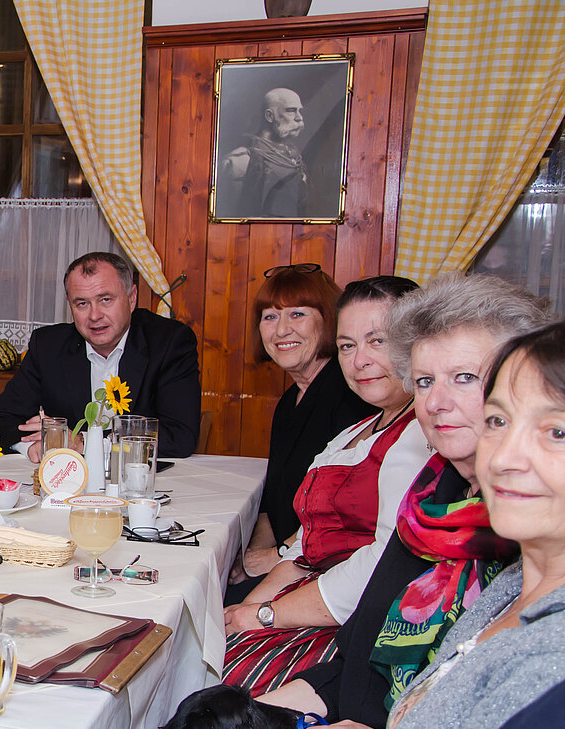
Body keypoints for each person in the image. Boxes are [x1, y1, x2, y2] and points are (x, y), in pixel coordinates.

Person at [255, 273, 555, 727]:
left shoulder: (517, 532)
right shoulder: (432, 500)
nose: (435, 403)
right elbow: (361, 658)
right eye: (425, 381)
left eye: (465, 378)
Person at [223, 276, 430, 693]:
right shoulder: (358, 431)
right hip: (312, 592)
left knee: (222, 686)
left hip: (362, 619)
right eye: (348, 346)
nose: (359, 361)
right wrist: (248, 607)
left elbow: (384, 563)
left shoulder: (420, 435)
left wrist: (265, 615)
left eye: (378, 341)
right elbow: (305, 545)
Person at [384, 321, 565, 728]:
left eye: (557, 432)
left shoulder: (554, 668)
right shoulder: (515, 583)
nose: (502, 459)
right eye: (498, 421)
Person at [229, 264, 374, 598]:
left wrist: (273, 557)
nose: (282, 330)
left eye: (297, 314)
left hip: (327, 572)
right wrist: (255, 557)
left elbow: (342, 514)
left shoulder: (350, 397)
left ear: (328, 321)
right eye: (270, 316)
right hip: (289, 559)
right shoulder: (289, 401)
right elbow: (273, 504)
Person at [0, 252, 201, 459]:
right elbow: (1, 419)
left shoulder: (169, 342)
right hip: (67, 478)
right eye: (82, 303)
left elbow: (180, 435)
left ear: (132, 298)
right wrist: (33, 446)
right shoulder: (48, 346)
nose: (94, 315)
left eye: (105, 299)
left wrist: (83, 442)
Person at [221, 87, 309, 218]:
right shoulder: (239, 161)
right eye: (291, 111)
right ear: (269, 116)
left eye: (299, 111)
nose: (299, 118)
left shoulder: (296, 160)